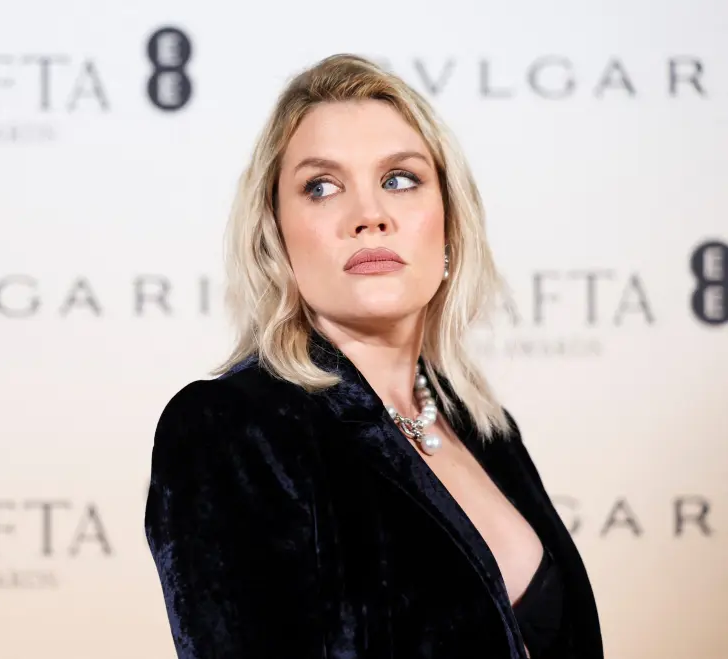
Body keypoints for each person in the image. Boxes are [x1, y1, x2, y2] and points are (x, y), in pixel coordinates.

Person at [143, 54, 603, 659]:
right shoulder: (231, 428)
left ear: (449, 228)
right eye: (322, 187)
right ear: (276, 238)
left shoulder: (483, 428)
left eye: (399, 179)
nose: (370, 217)